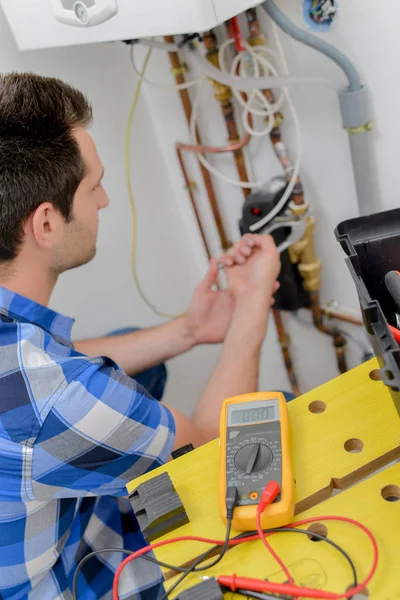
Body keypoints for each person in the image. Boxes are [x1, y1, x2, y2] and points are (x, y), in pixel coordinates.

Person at [0, 73, 281, 600]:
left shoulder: (21, 355)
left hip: (37, 515)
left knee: (133, 349)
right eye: (93, 187)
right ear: (44, 224)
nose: (104, 200)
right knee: (270, 423)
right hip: (76, 575)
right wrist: (252, 304)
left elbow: (48, 363)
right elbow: (223, 455)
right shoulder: (58, 400)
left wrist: (190, 331)